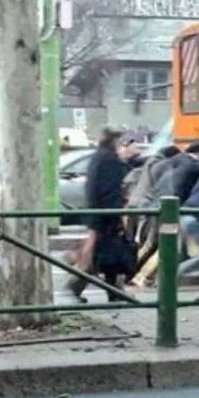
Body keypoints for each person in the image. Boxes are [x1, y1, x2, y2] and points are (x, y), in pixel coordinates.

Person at [65, 127, 135, 302]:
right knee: (100, 255)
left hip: (98, 214)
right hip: (106, 215)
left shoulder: (99, 157)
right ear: (113, 141)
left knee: (109, 256)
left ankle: (113, 292)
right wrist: (115, 214)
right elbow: (109, 190)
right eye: (118, 140)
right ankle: (76, 286)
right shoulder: (109, 160)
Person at [130, 142, 199, 287]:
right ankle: (143, 276)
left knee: (149, 243)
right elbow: (184, 189)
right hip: (171, 209)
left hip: (155, 204)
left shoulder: (171, 161)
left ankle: (130, 270)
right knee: (165, 245)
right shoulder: (195, 167)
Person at [122, 145, 181, 239]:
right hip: (146, 208)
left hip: (133, 204)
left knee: (131, 241)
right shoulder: (164, 166)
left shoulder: (148, 164)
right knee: (145, 243)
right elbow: (165, 191)